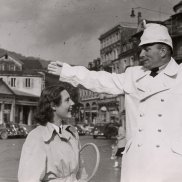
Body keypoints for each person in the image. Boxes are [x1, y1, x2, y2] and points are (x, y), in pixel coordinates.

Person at [48, 22, 182, 182]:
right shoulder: (133, 75)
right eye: (140, 50)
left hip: (169, 164)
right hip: (138, 163)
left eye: (147, 49)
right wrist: (69, 71)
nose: (140, 55)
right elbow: (101, 79)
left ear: (163, 50)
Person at [18, 85, 87, 182]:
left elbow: (81, 173)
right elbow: (28, 179)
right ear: (53, 105)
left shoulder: (72, 133)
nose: (72, 103)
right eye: (67, 100)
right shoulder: (36, 137)